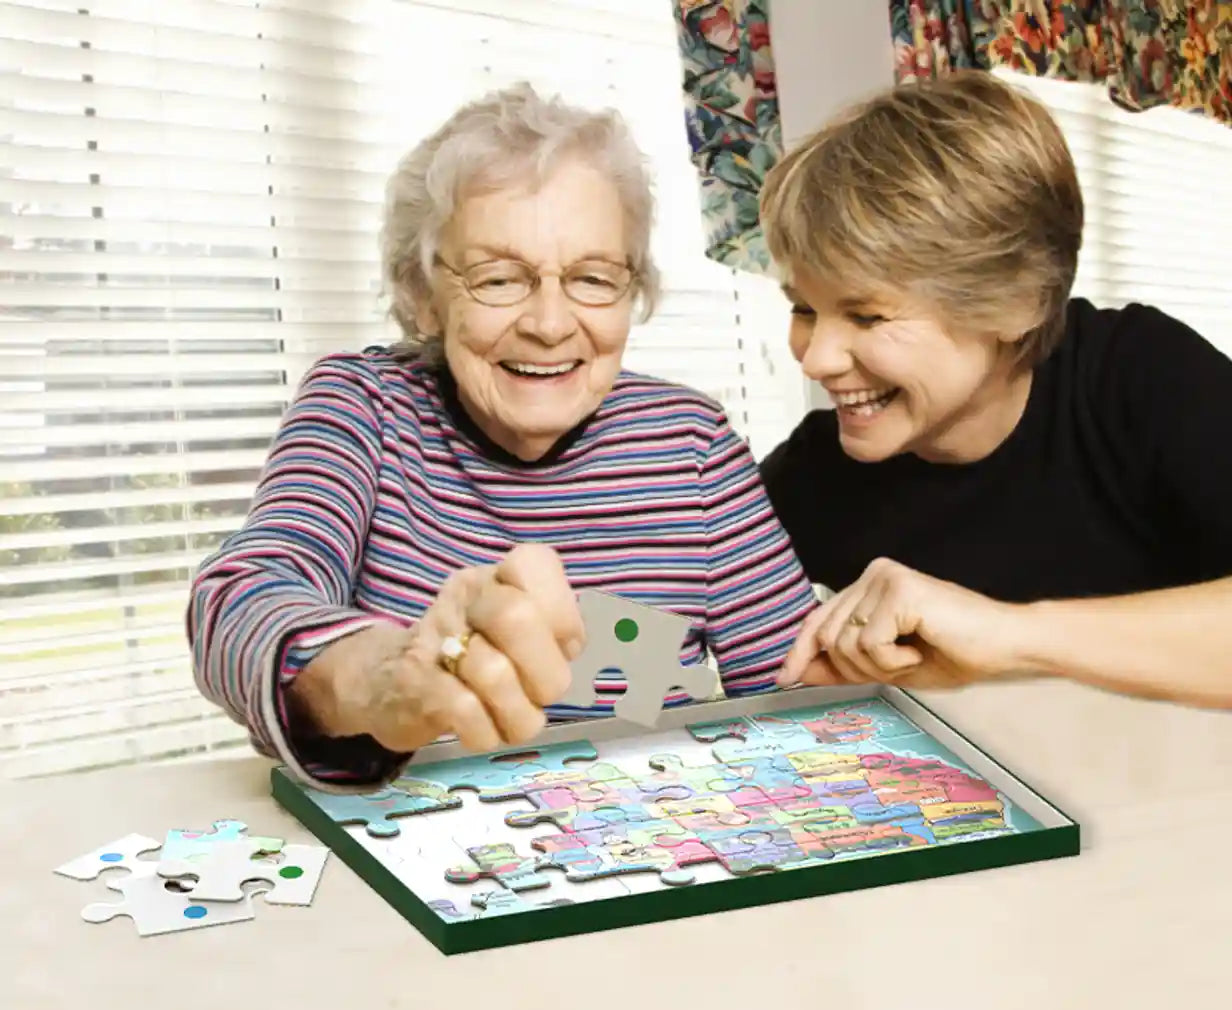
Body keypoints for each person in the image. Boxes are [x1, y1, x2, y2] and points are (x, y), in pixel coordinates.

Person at [186, 82, 819, 788]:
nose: (550, 324)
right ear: (424, 295)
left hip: (660, 850)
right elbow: (240, 598)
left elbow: (802, 701)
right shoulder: (363, 407)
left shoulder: (691, 444)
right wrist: (385, 678)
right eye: (498, 279)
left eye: (592, 278)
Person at [755, 70, 1232, 710]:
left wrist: (1008, 636)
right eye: (803, 309)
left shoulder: (1144, 379)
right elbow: (646, 645)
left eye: (866, 316)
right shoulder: (810, 475)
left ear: (1018, 303)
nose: (815, 359)